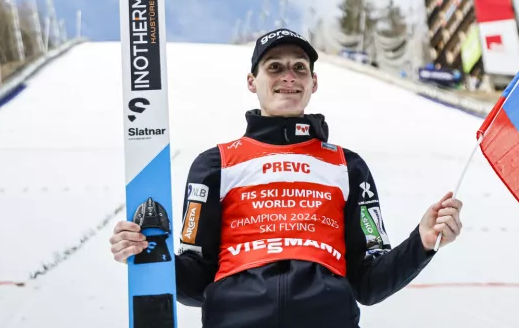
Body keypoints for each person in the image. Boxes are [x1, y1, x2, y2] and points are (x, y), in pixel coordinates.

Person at [109, 28, 464, 327]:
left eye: (299, 68)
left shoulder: (348, 166)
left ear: (314, 82)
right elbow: (195, 282)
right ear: (252, 81)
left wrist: (422, 242)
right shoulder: (214, 164)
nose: (288, 77)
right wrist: (149, 254)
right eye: (274, 67)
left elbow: (369, 282)